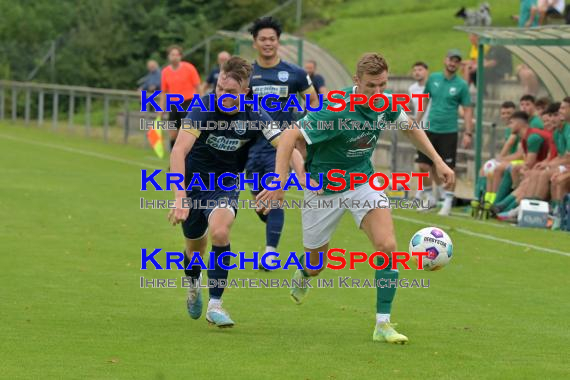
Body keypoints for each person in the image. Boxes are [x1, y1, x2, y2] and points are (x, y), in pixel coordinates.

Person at [256, 53, 455, 344]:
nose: (377, 93)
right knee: (316, 263)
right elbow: (288, 136)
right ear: (356, 81)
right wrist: (278, 180)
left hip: (362, 181)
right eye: (371, 86)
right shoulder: (335, 110)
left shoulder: (384, 102)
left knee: (387, 245)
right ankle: (305, 271)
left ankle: (382, 324)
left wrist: (438, 161)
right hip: (323, 189)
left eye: (383, 85)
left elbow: (410, 127)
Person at [168, 56, 306, 327]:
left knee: (220, 231)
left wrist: (301, 176)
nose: (223, 95)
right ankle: (193, 284)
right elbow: (179, 150)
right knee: (194, 246)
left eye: (230, 92)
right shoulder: (204, 106)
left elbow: (285, 144)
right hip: (194, 183)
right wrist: (180, 196)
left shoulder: (254, 112)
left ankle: (216, 304)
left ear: (245, 92)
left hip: (225, 184)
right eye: (220, 88)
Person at [244, 17, 319, 270]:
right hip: (251, 148)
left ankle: (270, 253)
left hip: (281, 147)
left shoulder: (295, 73)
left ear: (278, 42)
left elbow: (314, 106)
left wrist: (304, 134)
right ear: (255, 42)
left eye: (272, 39)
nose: (268, 43)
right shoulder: (247, 75)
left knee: (275, 198)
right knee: (261, 203)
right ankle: (274, 230)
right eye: (263, 39)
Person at [415, 49, 474, 215]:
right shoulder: (433, 78)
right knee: (423, 165)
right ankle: (430, 197)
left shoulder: (461, 85)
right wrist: (417, 121)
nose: (453, 63)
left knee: (447, 168)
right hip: (430, 129)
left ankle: (447, 201)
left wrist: (468, 133)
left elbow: (468, 110)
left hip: (449, 131)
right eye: (450, 60)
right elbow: (425, 99)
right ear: (445, 60)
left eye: (456, 61)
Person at [159, 45, 202, 150]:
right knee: (173, 134)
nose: (174, 57)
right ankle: (173, 159)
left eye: (176, 54)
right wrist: (161, 110)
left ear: (180, 56)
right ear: (168, 57)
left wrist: (200, 104)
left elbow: (198, 87)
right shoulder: (165, 72)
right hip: (173, 104)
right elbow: (164, 92)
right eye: (172, 55)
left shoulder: (189, 68)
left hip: (188, 103)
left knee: (186, 133)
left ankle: (187, 158)